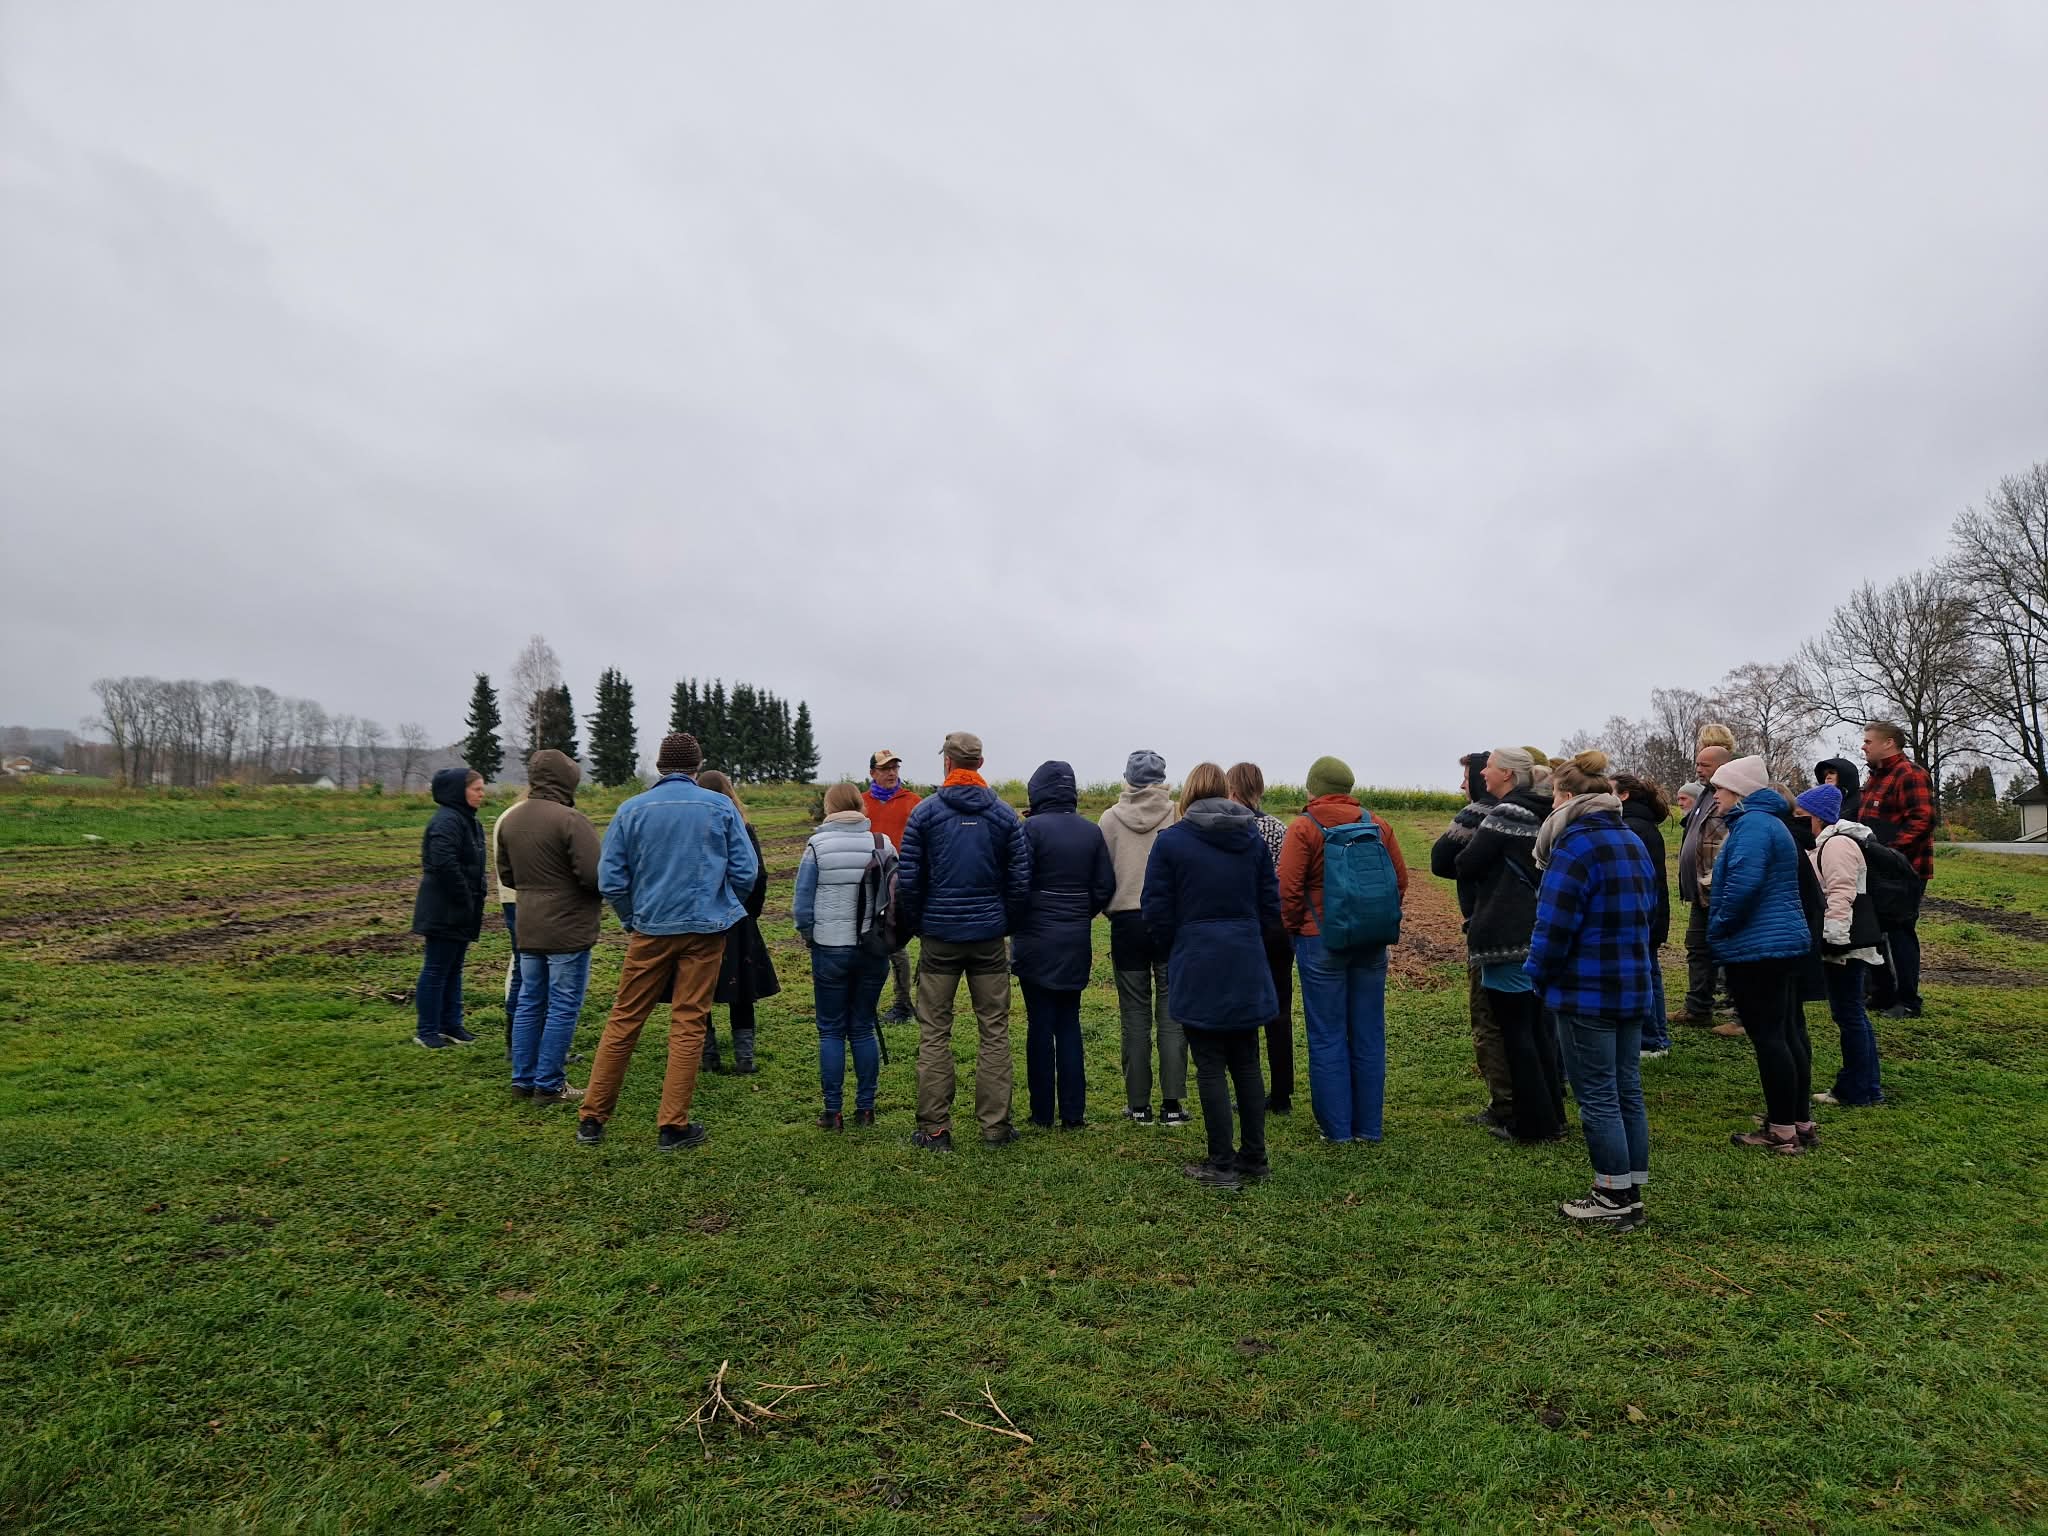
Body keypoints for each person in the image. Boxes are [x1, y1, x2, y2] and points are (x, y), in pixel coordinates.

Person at [576, 733, 758, 1151]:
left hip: (651, 928)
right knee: (690, 1020)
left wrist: (631, 918)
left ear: (659, 766)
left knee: (625, 1019)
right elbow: (746, 872)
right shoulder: (720, 806)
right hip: (705, 931)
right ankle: (672, 1125)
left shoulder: (630, 810)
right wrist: (724, 907)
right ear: (697, 766)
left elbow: (611, 879)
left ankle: (592, 1118)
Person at [1524, 751, 1657, 1230]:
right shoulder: (1631, 841)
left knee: (1598, 1095)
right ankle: (1629, 1188)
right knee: (1626, 1090)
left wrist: (1537, 975)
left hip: (1586, 990)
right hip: (1631, 981)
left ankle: (1611, 1195)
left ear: (1564, 797)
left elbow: (1553, 924)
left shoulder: (1575, 846)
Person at [1143, 762, 1281, 1189]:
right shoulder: (1252, 839)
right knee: (1246, 1059)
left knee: (1209, 1063)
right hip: (1245, 956)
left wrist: (1175, 948)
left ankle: (1221, 1164)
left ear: (1187, 795)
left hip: (1198, 955)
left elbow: (1156, 910)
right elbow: (1270, 904)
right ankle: (1253, 1157)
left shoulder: (1171, 843)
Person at [897, 731, 1032, 1151]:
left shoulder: (925, 814)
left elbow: (909, 881)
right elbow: (1020, 882)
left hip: (939, 938)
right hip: (989, 938)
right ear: (979, 763)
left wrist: (922, 923)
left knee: (934, 1031)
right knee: (994, 1030)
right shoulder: (1005, 816)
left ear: (948, 763)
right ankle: (995, 1127)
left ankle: (935, 1129)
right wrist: (1003, 921)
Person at [1277, 755, 1409, 1145]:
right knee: (1369, 1033)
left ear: (1313, 788)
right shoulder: (1378, 825)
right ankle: (1369, 1128)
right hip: (1370, 941)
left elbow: (1288, 889)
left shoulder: (1304, 827)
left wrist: (1295, 928)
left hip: (1320, 940)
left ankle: (1336, 1131)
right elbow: (1398, 881)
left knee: (1327, 1034)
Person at [1705, 755, 1818, 1155]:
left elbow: (1743, 886)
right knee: (1788, 1033)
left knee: (1770, 1038)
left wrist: (1718, 925)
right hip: (1781, 943)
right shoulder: (1771, 823)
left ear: (1738, 791)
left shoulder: (1751, 826)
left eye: (1719, 788)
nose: (1714, 795)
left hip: (1757, 947)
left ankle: (1782, 1131)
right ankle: (1798, 1120)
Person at [1451, 748, 1564, 1144]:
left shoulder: (1507, 814)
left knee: (1515, 1032)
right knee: (1538, 1029)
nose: (1483, 772)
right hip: (1539, 931)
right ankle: (1553, 1114)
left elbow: (1462, 863)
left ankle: (1532, 1125)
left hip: (1505, 937)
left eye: (1491, 766)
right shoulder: (1546, 809)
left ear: (1509, 776)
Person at [1011, 760, 1115, 1130]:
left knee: (1040, 1024)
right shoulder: (1091, 832)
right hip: (1074, 939)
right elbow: (1104, 887)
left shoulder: (1029, 830)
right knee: (1069, 1023)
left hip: (1034, 941)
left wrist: (1027, 919)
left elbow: (1017, 884)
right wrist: (1076, 914)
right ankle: (1073, 1113)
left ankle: (1041, 1113)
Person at [494, 749, 600, 1106]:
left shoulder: (510, 820)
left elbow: (507, 875)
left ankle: (522, 1080)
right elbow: (594, 876)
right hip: (567, 927)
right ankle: (550, 1084)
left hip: (528, 923)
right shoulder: (571, 820)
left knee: (529, 1001)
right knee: (563, 1004)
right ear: (567, 780)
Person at [793, 783, 896, 1130]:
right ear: (859, 806)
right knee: (863, 1027)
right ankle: (866, 1109)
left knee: (831, 1031)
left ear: (829, 808)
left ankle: (832, 1111)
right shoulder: (882, 844)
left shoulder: (817, 846)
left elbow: (802, 907)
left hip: (830, 948)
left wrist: (811, 937)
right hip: (873, 949)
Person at [1099, 750, 1186, 1126]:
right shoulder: (1177, 813)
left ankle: (1138, 1104)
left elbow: (1103, 875)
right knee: (1171, 1012)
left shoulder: (1108, 818)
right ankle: (1172, 1105)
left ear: (1128, 778)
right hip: (1168, 921)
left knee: (1134, 1013)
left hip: (1127, 923)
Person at [1432, 749, 1518, 1130]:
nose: (1463, 784)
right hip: (1527, 928)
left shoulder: (1480, 812)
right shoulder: (1532, 810)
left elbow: (1439, 859)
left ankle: (1504, 1105)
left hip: (1489, 929)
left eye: (1468, 777)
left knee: (1488, 1018)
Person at [1794, 784, 1886, 1109]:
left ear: (1817, 816)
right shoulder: (1827, 843)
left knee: (1850, 1014)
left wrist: (1833, 938)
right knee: (1849, 1013)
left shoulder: (1837, 845)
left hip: (1846, 943)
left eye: (1801, 814)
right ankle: (1864, 1086)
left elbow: (1841, 892)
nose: (1798, 819)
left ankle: (1858, 1089)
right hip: (1845, 941)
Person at [697, 770, 778, 1076]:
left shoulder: (694, 831)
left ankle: (708, 1056)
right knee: (741, 990)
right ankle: (745, 1060)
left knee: (698, 990)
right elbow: (758, 873)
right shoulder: (741, 826)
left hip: (701, 918)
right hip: (736, 916)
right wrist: (749, 912)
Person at [1227, 761, 1297, 1114]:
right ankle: (1282, 1092)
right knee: (1280, 1011)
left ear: (1233, 791)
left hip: (1245, 927)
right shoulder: (1279, 829)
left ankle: (1250, 1089)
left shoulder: (1230, 831)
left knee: (1245, 1011)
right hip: (1278, 928)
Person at [1858, 720, 1935, 1020]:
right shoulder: (1874, 778)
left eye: (1868, 741)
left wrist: (1890, 853)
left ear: (1889, 743)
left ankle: (1908, 1001)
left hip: (1905, 871)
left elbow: (1922, 820)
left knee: (1901, 933)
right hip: (1875, 870)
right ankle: (1883, 994)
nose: (1864, 746)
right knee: (1874, 931)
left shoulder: (1910, 774)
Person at [411, 767, 487, 1049]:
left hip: (461, 909)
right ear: (458, 791)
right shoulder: (447, 822)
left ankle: (451, 1025)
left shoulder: (469, 821)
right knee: (436, 968)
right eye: (476, 789)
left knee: (453, 968)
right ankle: (427, 1030)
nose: (482, 794)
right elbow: (443, 864)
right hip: (444, 908)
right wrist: (464, 897)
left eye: (482, 789)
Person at [1673, 726, 1737, 1032]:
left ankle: (1741, 1013)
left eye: (1705, 765)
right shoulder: (1706, 794)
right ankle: (1697, 1008)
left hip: (1722, 889)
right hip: (1700, 890)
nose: (1698, 769)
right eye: (1698, 764)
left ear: (1722, 766)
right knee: (1697, 949)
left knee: (1731, 951)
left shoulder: (1736, 794)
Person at [1613, 773, 1674, 1059]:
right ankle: (1654, 1036)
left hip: (1643, 914)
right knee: (1649, 972)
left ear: (1623, 795)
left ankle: (1653, 1039)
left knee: (1646, 974)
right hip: (1651, 912)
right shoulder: (1641, 824)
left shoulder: (1631, 827)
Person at [862, 749, 923, 1026]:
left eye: (895, 768)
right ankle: (868, 1000)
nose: (891, 773)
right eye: (885, 768)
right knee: (868, 941)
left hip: (903, 883)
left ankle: (903, 1003)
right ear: (873, 772)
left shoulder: (913, 802)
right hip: (868, 882)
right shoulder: (861, 804)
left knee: (897, 943)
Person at [490, 785, 533, 1056]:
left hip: (512, 897)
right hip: (529, 900)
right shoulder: (526, 818)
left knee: (521, 966)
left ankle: (516, 1040)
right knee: (530, 970)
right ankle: (522, 1041)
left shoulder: (508, 815)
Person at [1813, 754, 1864, 824]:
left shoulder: (1861, 800)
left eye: (1832, 773)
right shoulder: (1821, 803)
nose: (1828, 777)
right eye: (1825, 775)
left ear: (1845, 775)